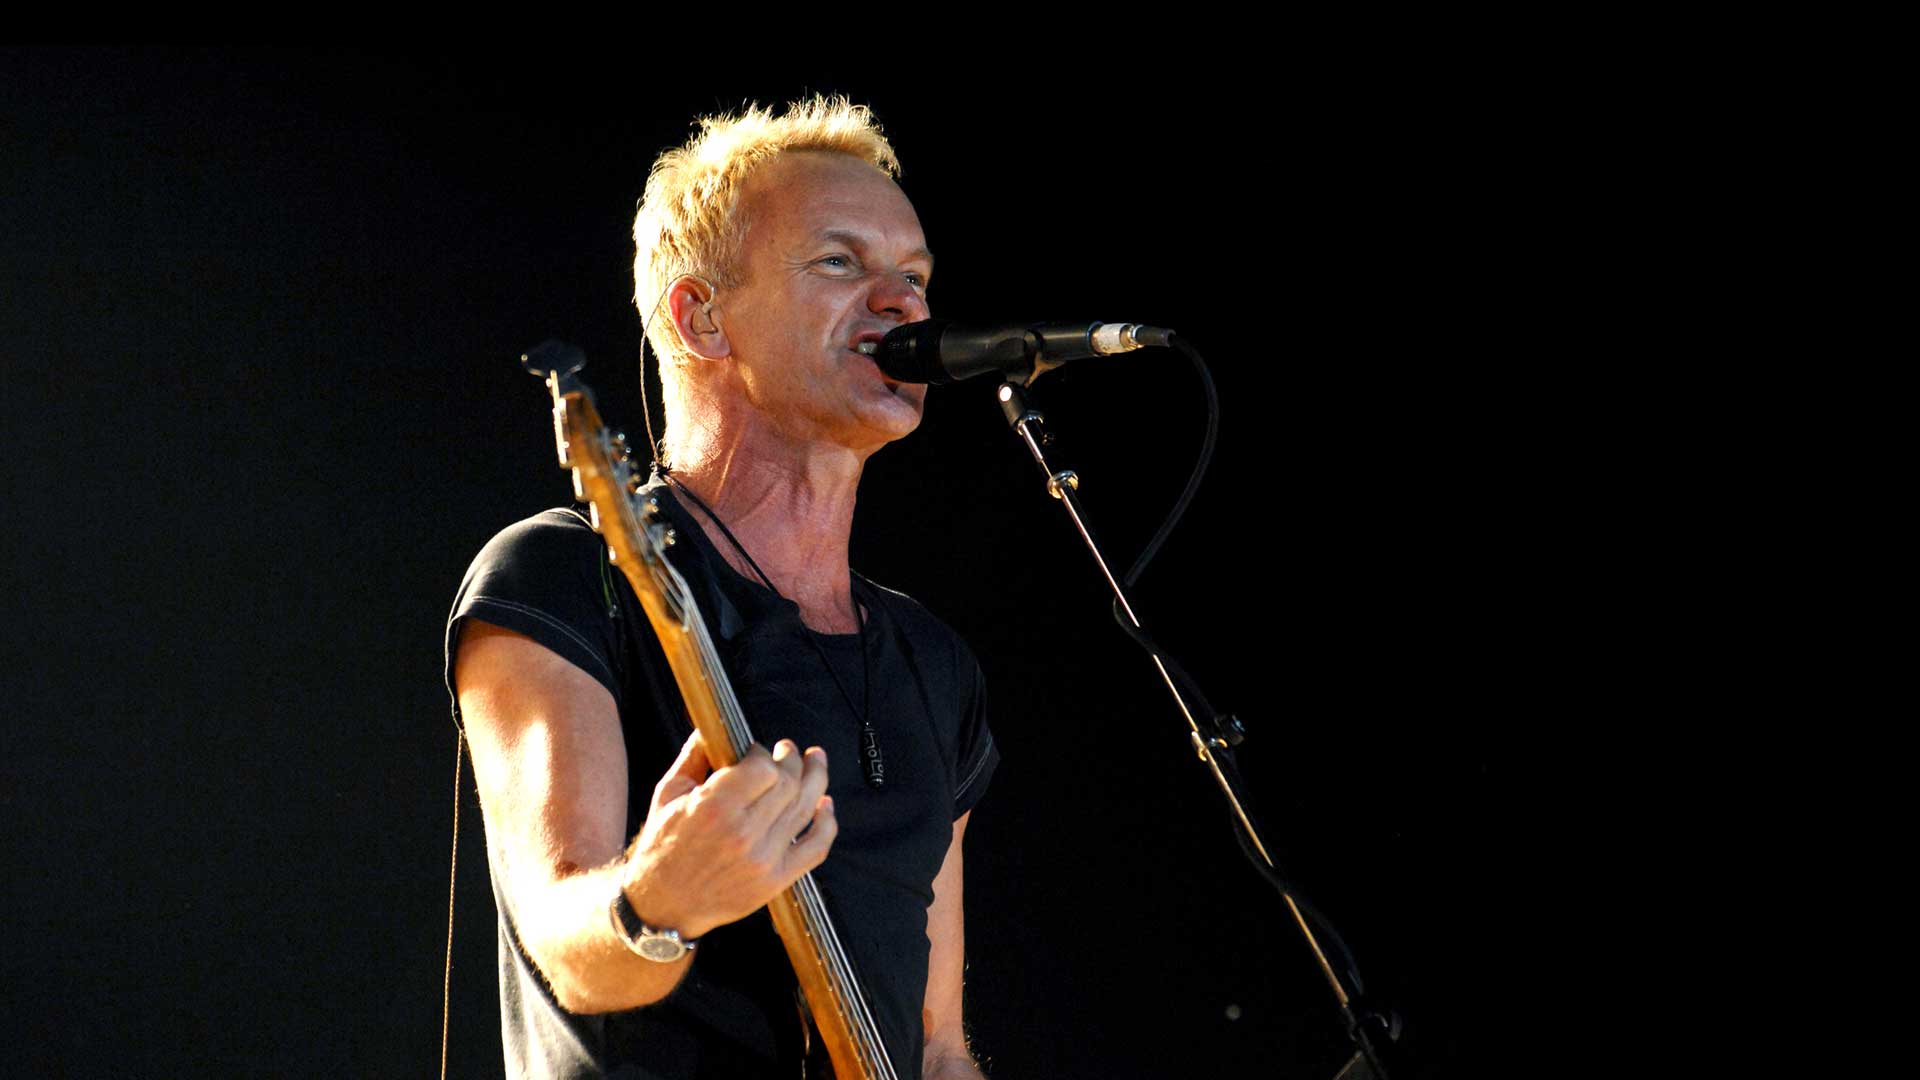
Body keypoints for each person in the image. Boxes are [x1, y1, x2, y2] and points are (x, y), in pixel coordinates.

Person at [444, 96, 998, 1079]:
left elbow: (939, 1043)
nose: (903, 303)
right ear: (699, 316)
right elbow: (566, 943)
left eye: (913, 277)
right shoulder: (568, 573)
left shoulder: (932, 662)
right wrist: (660, 902)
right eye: (841, 262)